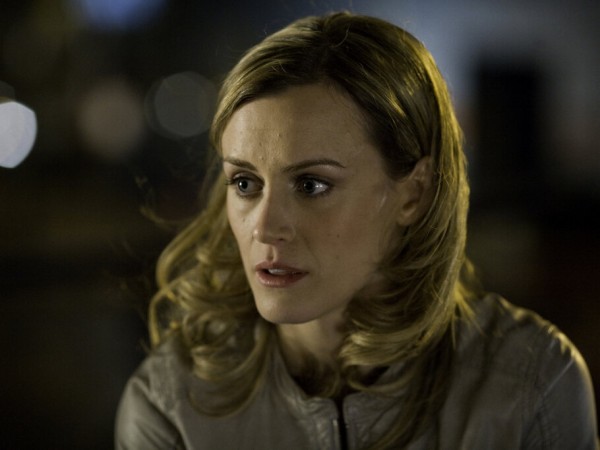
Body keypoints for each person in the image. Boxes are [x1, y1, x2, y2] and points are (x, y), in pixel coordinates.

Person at [115, 12, 598, 449]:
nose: (264, 227)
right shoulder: (170, 405)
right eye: (245, 183)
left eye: (311, 184)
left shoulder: (531, 381)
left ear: (413, 194)